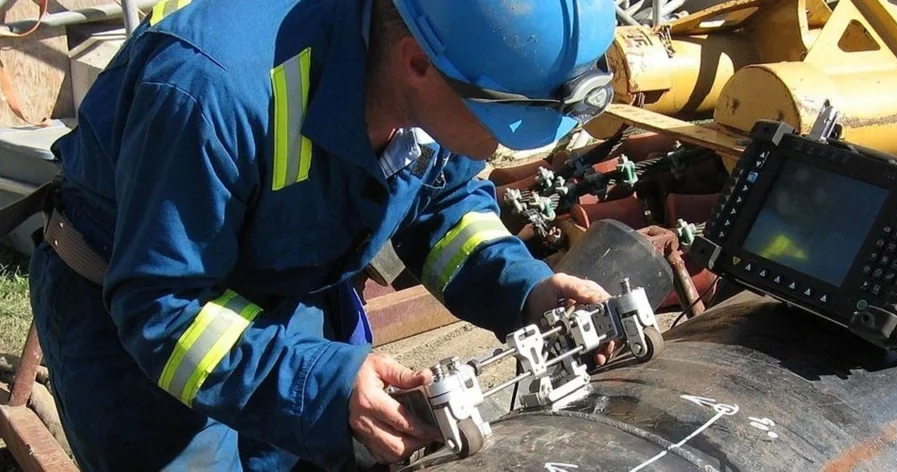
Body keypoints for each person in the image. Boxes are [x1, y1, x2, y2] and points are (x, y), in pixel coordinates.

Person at [25, 0, 619, 470]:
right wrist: (321, 382)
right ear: (416, 64)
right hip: (142, 325)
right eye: (507, 116)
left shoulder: (438, 63)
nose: (511, 139)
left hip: (283, 288)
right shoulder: (212, 89)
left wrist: (527, 292)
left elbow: (443, 204)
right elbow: (161, 308)